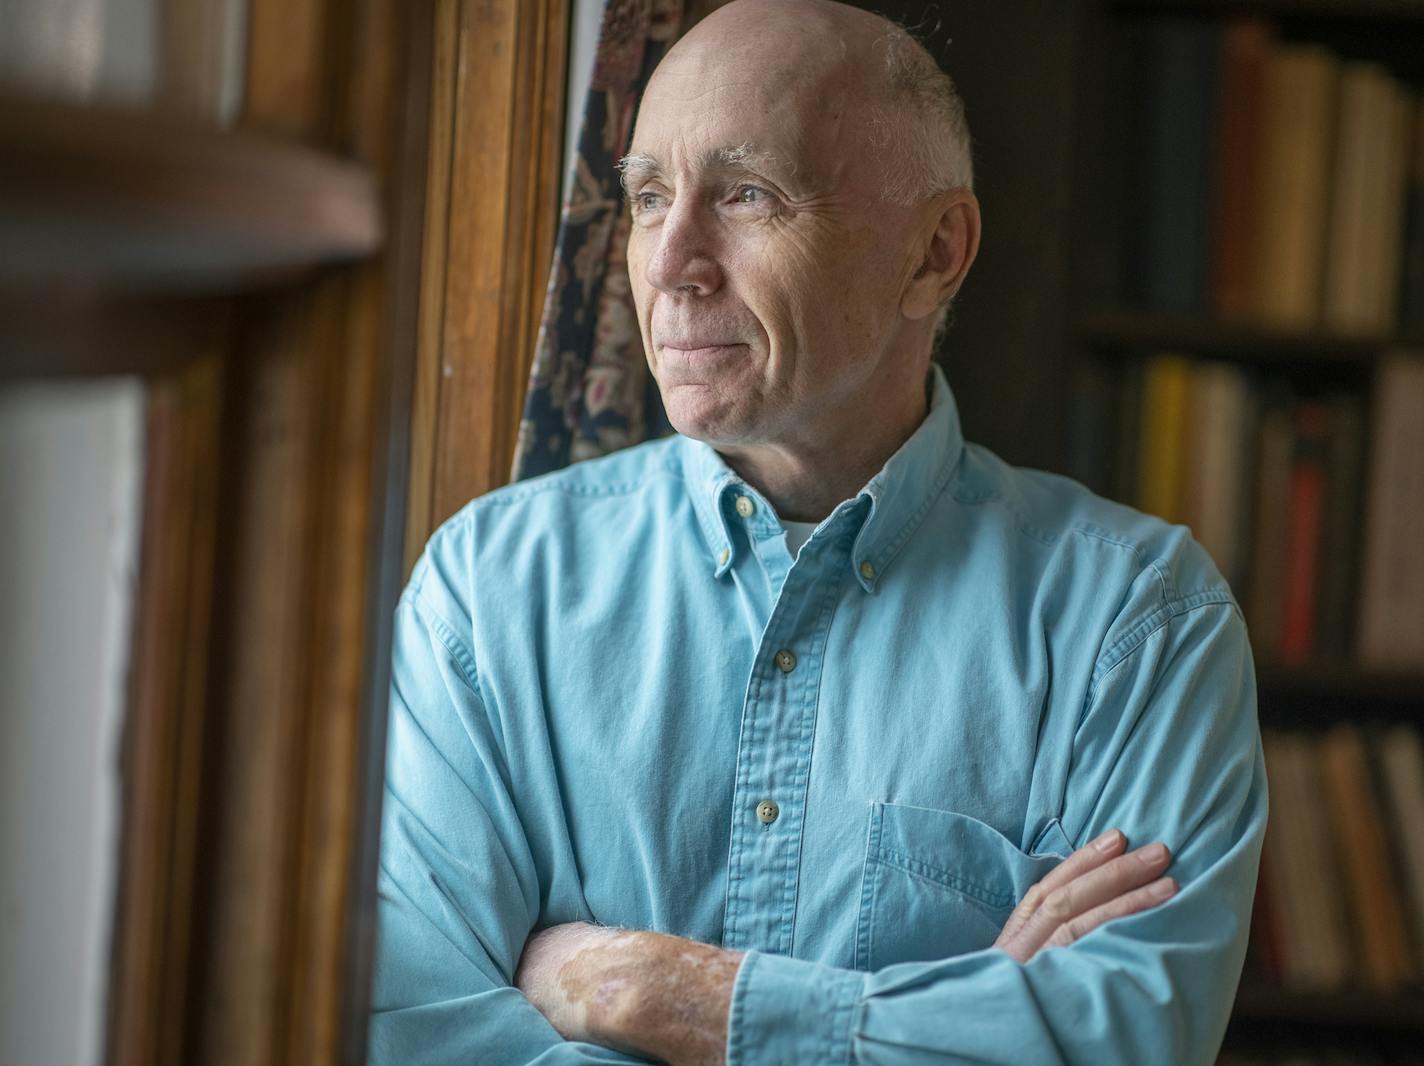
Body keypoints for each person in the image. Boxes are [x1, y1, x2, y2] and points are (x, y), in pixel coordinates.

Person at [368, 1, 1266, 1063]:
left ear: (935, 252)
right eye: (650, 196)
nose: (669, 264)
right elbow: (410, 1033)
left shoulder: (1137, 620)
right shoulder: (486, 591)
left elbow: (1117, 1042)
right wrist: (967, 1012)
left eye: (747, 194)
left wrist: (664, 994)